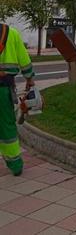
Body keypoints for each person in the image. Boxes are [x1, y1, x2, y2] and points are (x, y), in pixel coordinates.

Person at [0, 24, 35, 176]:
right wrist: (29, 79)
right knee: (7, 126)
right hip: (3, 88)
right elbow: (24, 60)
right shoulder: (11, 33)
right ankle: (15, 165)